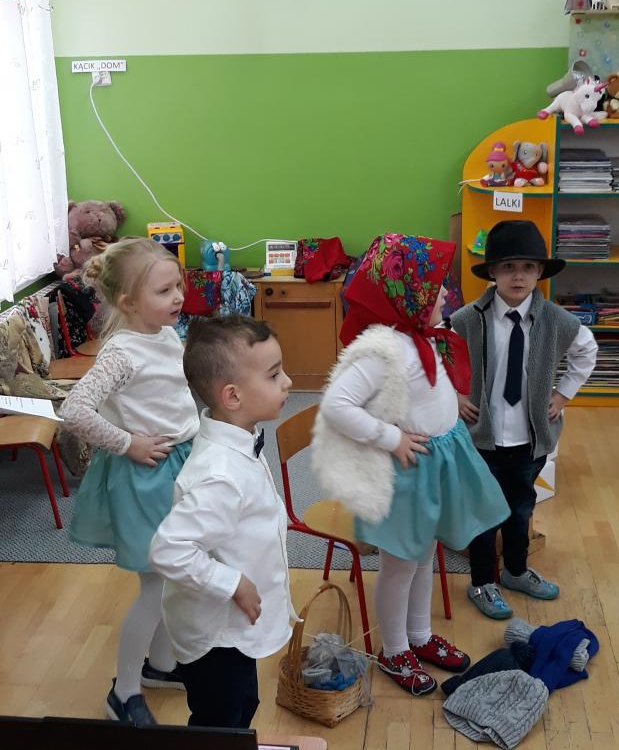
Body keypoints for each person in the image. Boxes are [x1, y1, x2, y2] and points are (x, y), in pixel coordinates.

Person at [312, 234, 510, 696]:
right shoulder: (383, 351)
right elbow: (336, 405)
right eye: (437, 288)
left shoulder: (423, 336)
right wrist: (391, 437)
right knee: (401, 564)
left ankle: (418, 636)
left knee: (424, 556)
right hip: (404, 472)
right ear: (408, 296)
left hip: (434, 463)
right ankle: (394, 648)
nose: (446, 295)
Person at [61, 238, 199, 725]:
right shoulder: (122, 353)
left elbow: (173, 397)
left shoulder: (166, 333)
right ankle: (123, 691)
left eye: (177, 286)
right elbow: (74, 410)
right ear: (128, 302)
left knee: (173, 576)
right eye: (164, 291)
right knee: (157, 584)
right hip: (145, 475)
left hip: (176, 465)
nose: (178, 297)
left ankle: (160, 664)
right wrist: (128, 443)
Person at [150, 315, 297, 728]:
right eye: (274, 375)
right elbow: (168, 549)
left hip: (232, 630)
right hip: (215, 636)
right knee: (220, 720)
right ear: (232, 396)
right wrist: (231, 582)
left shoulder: (238, 437)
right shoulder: (221, 476)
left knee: (242, 704)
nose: (288, 382)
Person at [452, 220, 597, 619]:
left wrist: (562, 394)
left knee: (520, 511)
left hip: (529, 440)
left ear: (540, 272)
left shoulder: (555, 320)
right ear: (493, 272)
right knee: (483, 515)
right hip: (482, 439)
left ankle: (515, 570)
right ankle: (482, 582)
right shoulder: (468, 318)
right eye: (508, 267)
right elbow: (436, 354)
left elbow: (587, 351)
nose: (518, 276)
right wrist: (455, 395)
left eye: (528, 267)